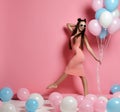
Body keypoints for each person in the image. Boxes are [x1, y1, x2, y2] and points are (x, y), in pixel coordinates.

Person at [47, 18, 101, 96]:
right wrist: (77, 25)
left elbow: (89, 48)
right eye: (81, 25)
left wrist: (96, 58)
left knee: (68, 69)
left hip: (79, 56)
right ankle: (86, 94)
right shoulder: (73, 33)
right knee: (82, 76)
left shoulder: (83, 36)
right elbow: (68, 24)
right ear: (78, 25)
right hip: (78, 56)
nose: (83, 27)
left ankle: (55, 84)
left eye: (84, 26)